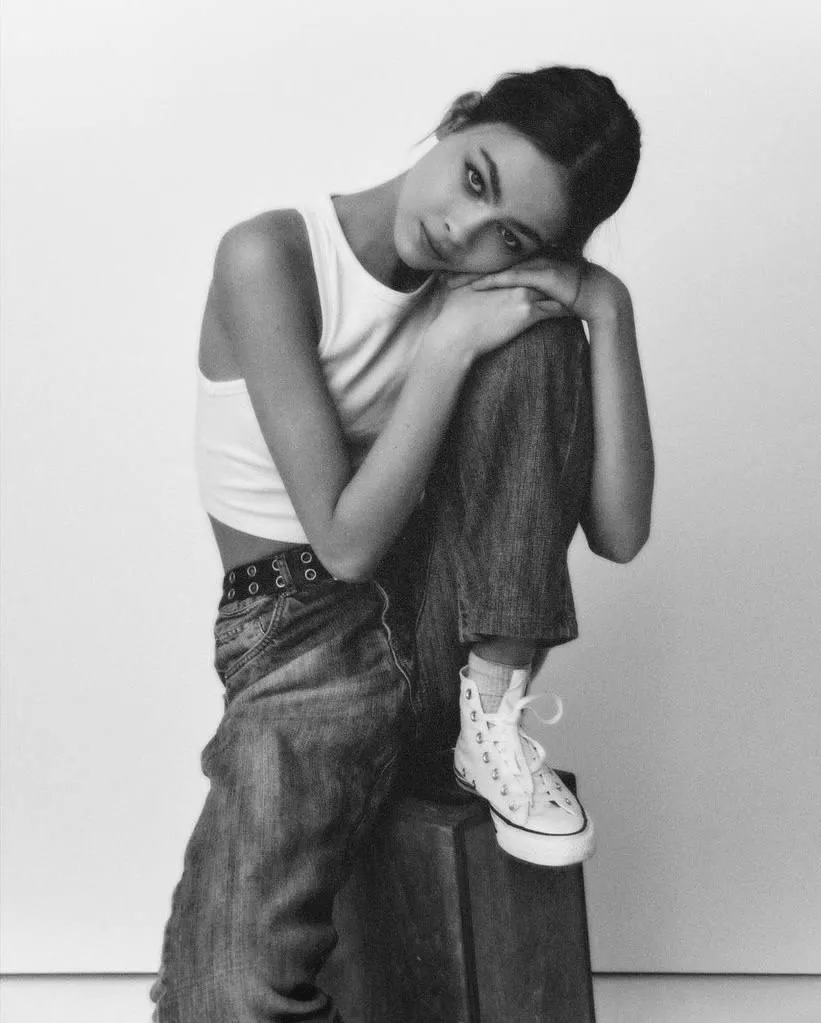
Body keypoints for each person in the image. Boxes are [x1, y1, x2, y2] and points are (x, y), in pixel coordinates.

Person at [150, 64, 654, 1022]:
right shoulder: (273, 255)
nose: (467, 234)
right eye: (476, 179)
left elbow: (621, 530)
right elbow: (341, 544)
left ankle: (492, 715)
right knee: (220, 998)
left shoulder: (484, 288)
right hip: (302, 641)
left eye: (514, 237)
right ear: (458, 121)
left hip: (446, 623)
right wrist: (449, 344)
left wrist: (605, 304)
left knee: (543, 344)